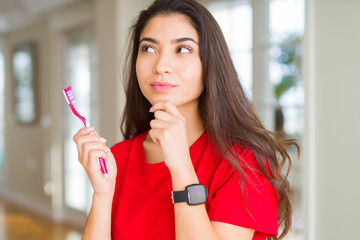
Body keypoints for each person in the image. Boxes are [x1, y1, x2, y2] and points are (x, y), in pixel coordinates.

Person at [73, 0, 298, 239]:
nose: (161, 66)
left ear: (210, 62)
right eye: (149, 48)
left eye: (182, 49)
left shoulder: (243, 162)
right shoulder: (117, 158)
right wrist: (102, 194)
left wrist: (181, 165)